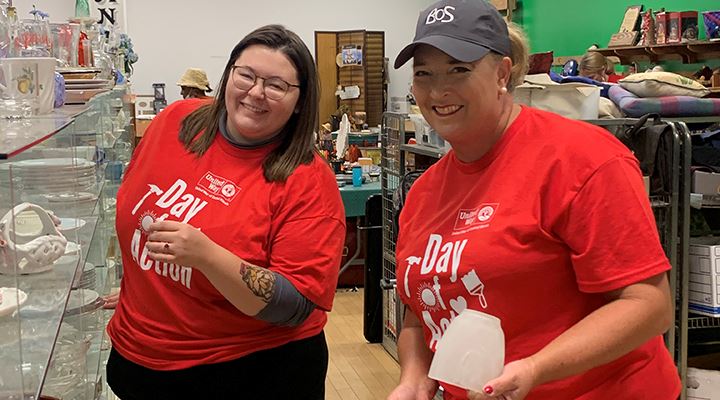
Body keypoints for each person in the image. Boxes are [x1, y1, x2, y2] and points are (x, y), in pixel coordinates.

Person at [389, 1, 681, 400]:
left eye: (460, 69)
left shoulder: (582, 160)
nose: (438, 90)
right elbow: (418, 317)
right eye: (423, 74)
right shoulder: (424, 193)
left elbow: (648, 305)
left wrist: (537, 367)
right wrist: (413, 381)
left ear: (502, 73)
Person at [106, 25, 345, 400]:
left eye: (276, 85)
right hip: (137, 358)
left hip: (248, 373)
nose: (255, 93)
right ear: (228, 74)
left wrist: (206, 256)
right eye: (246, 75)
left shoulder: (308, 180)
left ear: (300, 100)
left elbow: (292, 305)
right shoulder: (176, 122)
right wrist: (142, 285)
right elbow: (136, 212)